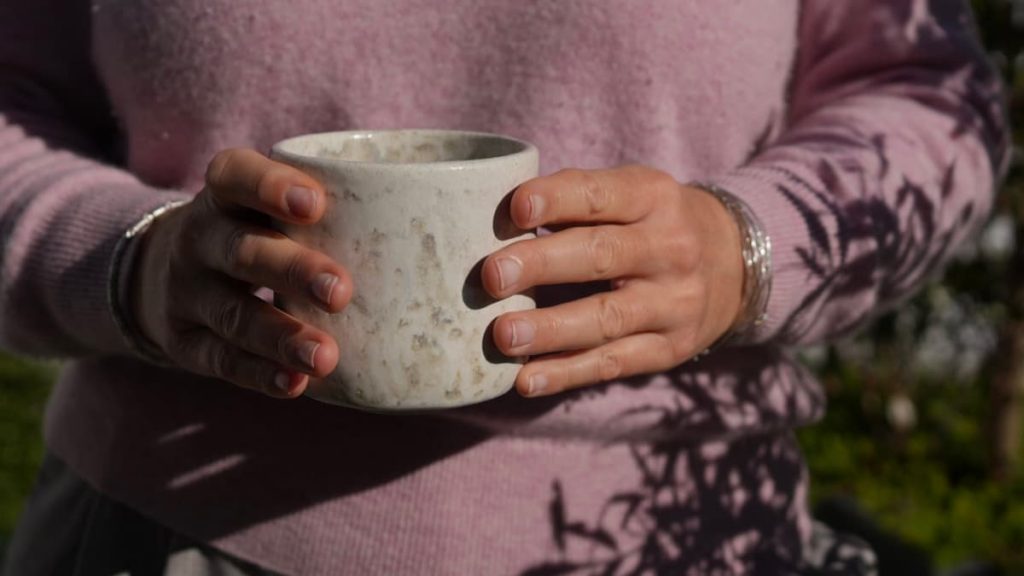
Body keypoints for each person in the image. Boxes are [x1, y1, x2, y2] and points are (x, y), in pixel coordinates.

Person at [0, 1, 1008, 574]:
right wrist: (128, 260)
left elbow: (925, 93)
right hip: (160, 534)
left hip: (675, 543)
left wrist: (745, 247)